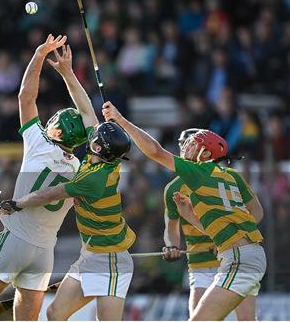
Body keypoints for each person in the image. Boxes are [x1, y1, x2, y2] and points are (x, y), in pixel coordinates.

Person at [0, 45, 135, 321]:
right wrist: (68, 73)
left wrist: (18, 203)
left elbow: (50, 194)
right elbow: (86, 109)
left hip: (111, 261)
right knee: (55, 313)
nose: (92, 135)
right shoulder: (102, 160)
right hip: (91, 255)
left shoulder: (91, 178)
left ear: (97, 147)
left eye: (95, 138)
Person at [102, 101, 265, 321]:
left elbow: (155, 152)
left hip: (237, 257)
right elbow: (252, 213)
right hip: (242, 255)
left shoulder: (198, 172)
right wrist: (191, 225)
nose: (185, 147)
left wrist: (120, 120)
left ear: (205, 154)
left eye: (192, 144)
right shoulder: (230, 176)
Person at [0, 35, 88, 321]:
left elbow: (25, 97)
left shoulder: (38, 143)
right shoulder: (81, 167)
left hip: (15, 239)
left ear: (57, 131)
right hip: (45, 251)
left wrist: (39, 55)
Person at [163, 128, 256, 319]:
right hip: (201, 266)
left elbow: (255, 212)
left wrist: (233, 239)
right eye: (185, 145)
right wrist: (172, 246)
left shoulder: (231, 177)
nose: (185, 149)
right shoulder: (173, 188)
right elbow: (171, 228)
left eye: (190, 144)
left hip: (235, 261)